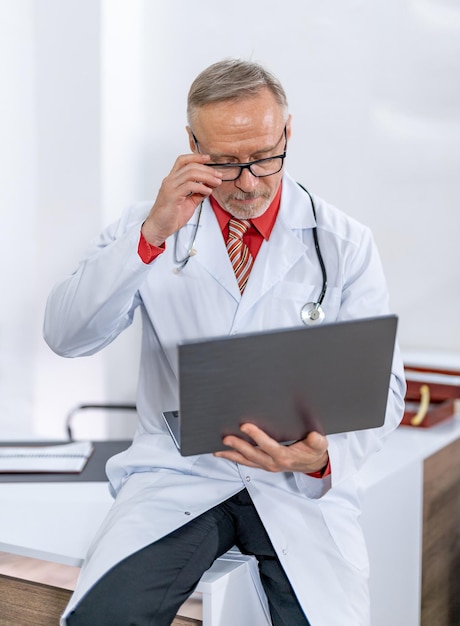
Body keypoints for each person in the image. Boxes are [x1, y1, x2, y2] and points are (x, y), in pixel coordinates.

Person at [44, 59, 405, 626]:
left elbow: (383, 387)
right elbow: (66, 336)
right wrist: (150, 237)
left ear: (287, 131)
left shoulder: (344, 243)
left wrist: (324, 455)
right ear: (191, 144)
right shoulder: (148, 227)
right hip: (180, 475)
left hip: (294, 483)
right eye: (226, 162)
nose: (249, 181)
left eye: (264, 156)